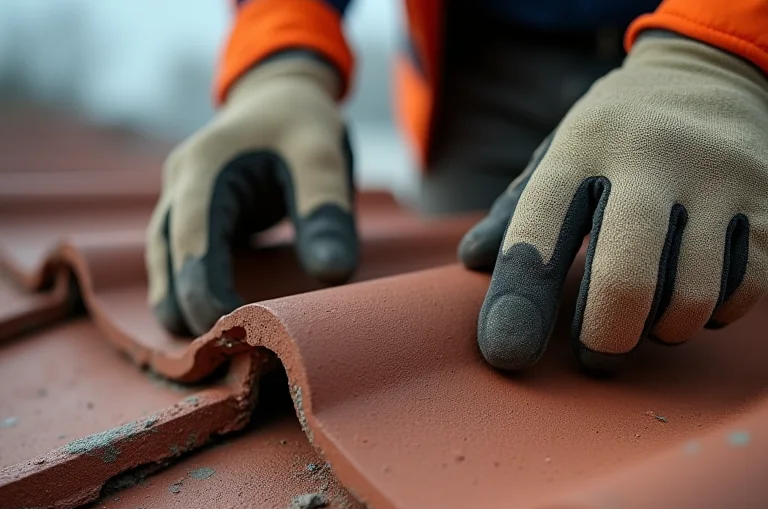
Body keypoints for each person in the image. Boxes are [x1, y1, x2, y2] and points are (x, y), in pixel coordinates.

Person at [145, 0, 768, 373]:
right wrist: (281, 60)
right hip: (483, 66)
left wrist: (725, 49)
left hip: (708, 67)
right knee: (479, 298)